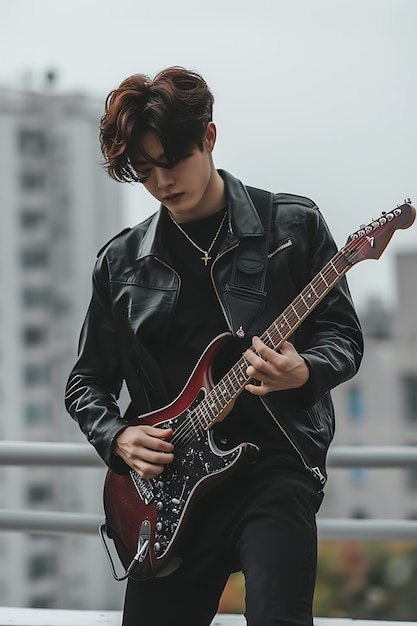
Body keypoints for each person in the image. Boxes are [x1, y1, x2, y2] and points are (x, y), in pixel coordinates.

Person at [65, 67, 363, 626]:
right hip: (170, 491)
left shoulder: (291, 226)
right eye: (144, 171)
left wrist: (304, 370)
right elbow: (87, 383)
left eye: (171, 162)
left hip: (275, 471)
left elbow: (343, 335)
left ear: (208, 137)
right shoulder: (121, 263)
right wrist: (119, 436)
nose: (161, 184)